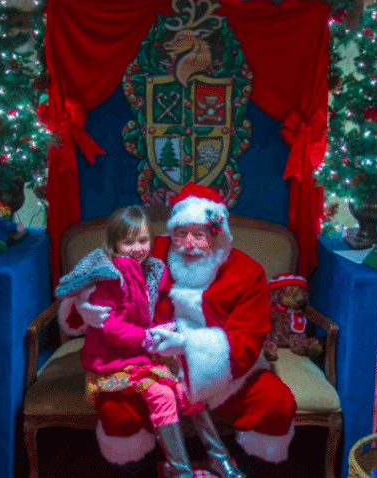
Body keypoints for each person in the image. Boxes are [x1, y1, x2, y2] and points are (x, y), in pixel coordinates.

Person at [61, 184, 297, 473]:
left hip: (222, 373)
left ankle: (244, 465)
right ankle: (146, 469)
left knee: (275, 402)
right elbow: (97, 273)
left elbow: (247, 340)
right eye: (180, 234)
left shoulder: (247, 272)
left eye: (199, 235)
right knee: (117, 410)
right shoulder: (149, 250)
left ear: (217, 235)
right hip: (144, 361)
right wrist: (83, 306)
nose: (188, 243)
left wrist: (188, 346)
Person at [55, 205, 246, 478]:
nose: (137, 248)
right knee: (163, 394)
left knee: (188, 387)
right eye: (128, 241)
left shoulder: (150, 270)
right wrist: (146, 337)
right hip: (110, 364)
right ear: (115, 243)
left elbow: (149, 312)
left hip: (137, 356)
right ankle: (181, 470)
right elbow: (111, 326)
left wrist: (163, 330)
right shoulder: (107, 275)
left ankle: (218, 456)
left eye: (143, 241)